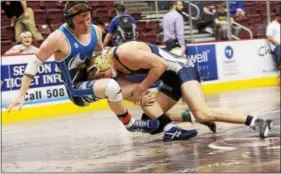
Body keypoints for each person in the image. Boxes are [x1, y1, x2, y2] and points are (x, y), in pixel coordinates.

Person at [6, 1, 159, 135]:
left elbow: (100, 52)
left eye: (88, 19)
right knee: (112, 87)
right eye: (80, 22)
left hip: (93, 78)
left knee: (125, 76)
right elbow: (34, 63)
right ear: (70, 22)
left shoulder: (95, 30)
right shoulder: (58, 38)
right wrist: (21, 93)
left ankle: (159, 117)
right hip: (76, 90)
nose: (86, 25)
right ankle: (131, 124)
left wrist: (102, 66)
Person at [89, 41, 274, 139]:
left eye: (99, 76)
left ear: (101, 63)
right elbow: (132, 93)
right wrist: (139, 97)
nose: (103, 80)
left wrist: (142, 89)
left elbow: (160, 65)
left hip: (182, 68)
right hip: (168, 76)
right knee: (152, 122)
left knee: (203, 112)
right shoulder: (112, 73)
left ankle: (257, 122)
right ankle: (190, 117)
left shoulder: (124, 53)